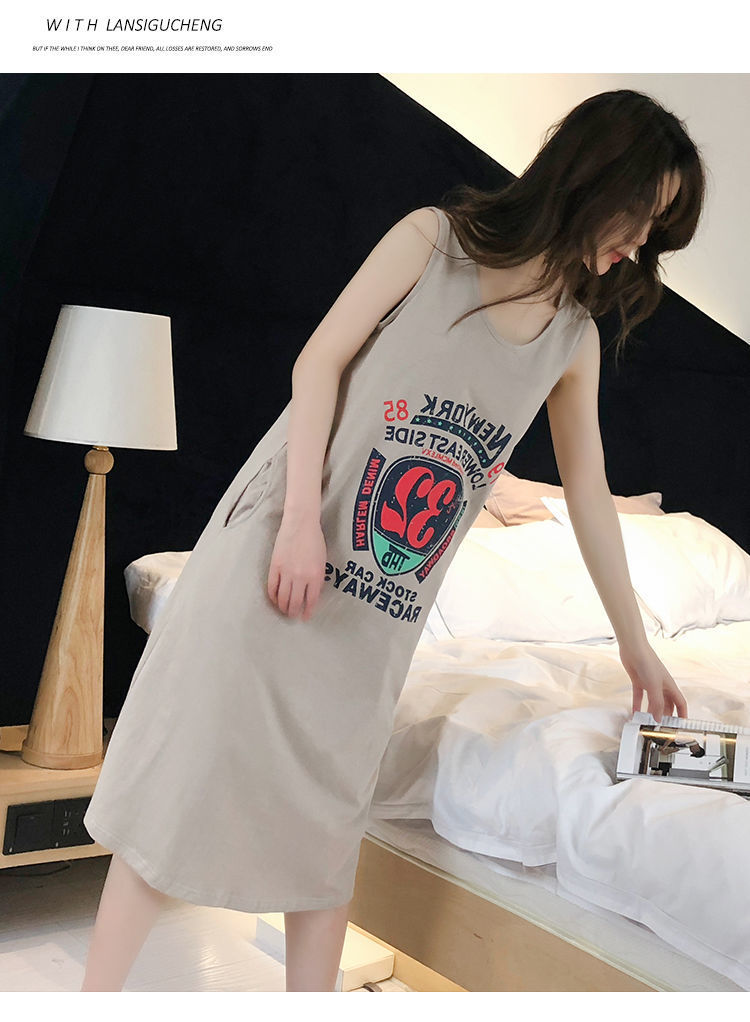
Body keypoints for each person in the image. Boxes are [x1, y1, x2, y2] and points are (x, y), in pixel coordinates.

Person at [80, 88, 704, 992]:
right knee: (182, 790)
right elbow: (318, 361)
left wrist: (635, 644)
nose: (640, 242)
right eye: (642, 214)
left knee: (325, 834)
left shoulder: (572, 338)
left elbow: (590, 495)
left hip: (378, 611)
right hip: (277, 548)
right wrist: (299, 522)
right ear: (593, 175)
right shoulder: (434, 241)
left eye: (658, 228)